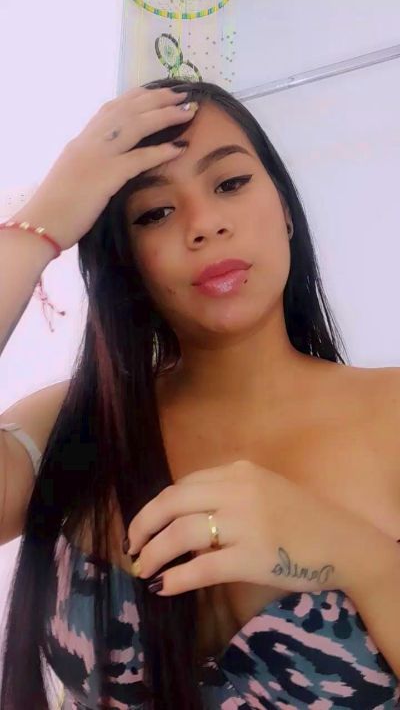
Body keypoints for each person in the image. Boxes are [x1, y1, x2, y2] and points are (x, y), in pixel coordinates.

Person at [0, 77, 399, 710]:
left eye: (230, 183)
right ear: (126, 259)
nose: (205, 224)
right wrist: (40, 227)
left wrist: (360, 558)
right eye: (154, 213)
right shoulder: (72, 425)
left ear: (286, 209)